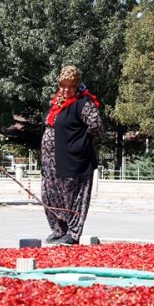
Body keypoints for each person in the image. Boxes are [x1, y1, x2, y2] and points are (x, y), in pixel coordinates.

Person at [41, 65, 103, 245]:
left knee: (72, 198)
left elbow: (97, 127)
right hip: (52, 163)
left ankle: (73, 233)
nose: (66, 90)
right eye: (63, 85)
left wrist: (80, 143)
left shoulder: (83, 103)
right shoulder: (57, 103)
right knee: (49, 195)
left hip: (74, 161)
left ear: (77, 86)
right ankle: (59, 229)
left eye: (70, 86)